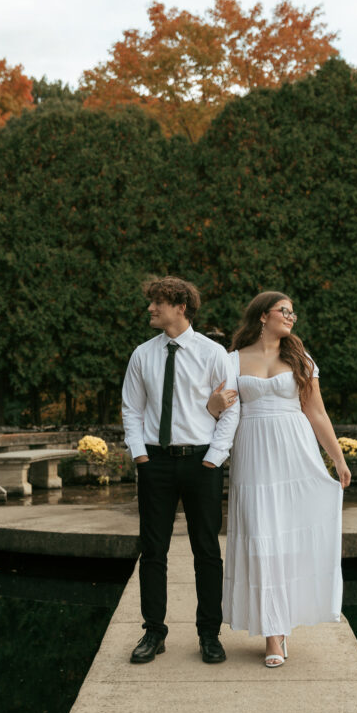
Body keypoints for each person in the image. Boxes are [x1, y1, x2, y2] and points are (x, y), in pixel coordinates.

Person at [208, 291, 350, 667]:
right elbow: (214, 409)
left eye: (293, 312)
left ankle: (278, 632)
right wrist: (213, 405)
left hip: (295, 450)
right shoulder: (231, 359)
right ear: (262, 316)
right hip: (253, 452)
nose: (291, 317)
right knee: (260, 537)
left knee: (289, 536)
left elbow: (316, 413)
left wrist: (337, 459)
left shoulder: (301, 360)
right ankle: (272, 628)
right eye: (284, 311)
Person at [121, 276, 239, 664]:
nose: (151, 309)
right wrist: (140, 455)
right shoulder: (142, 355)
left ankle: (209, 634)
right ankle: (154, 632)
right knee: (153, 550)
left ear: (180, 306)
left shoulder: (213, 353)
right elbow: (132, 409)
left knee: (206, 550)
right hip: (154, 462)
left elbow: (232, 408)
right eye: (151, 302)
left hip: (201, 461)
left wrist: (214, 457)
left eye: (158, 302)